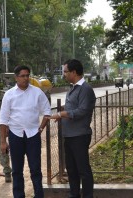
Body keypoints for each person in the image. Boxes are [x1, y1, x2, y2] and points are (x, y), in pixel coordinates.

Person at [0, 65, 51, 198]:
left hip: (33, 135)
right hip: (15, 136)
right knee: (17, 170)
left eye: (28, 75)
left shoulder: (37, 92)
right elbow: (3, 120)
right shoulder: (9, 95)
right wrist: (3, 142)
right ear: (16, 78)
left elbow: (47, 111)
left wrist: (40, 128)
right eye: (23, 76)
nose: (26, 78)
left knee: (35, 169)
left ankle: (39, 195)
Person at [49, 59, 96, 198]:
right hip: (69, 135)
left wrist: (63, 113)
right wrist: (63, 114)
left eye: (65, 71)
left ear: (74, 72)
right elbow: (72, 107)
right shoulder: (73, 88)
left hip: (80, 135)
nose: (64, 74)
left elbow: (83, 111)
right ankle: (74, 194)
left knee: (83, 170)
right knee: (71, 169)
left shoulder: (85, 89)